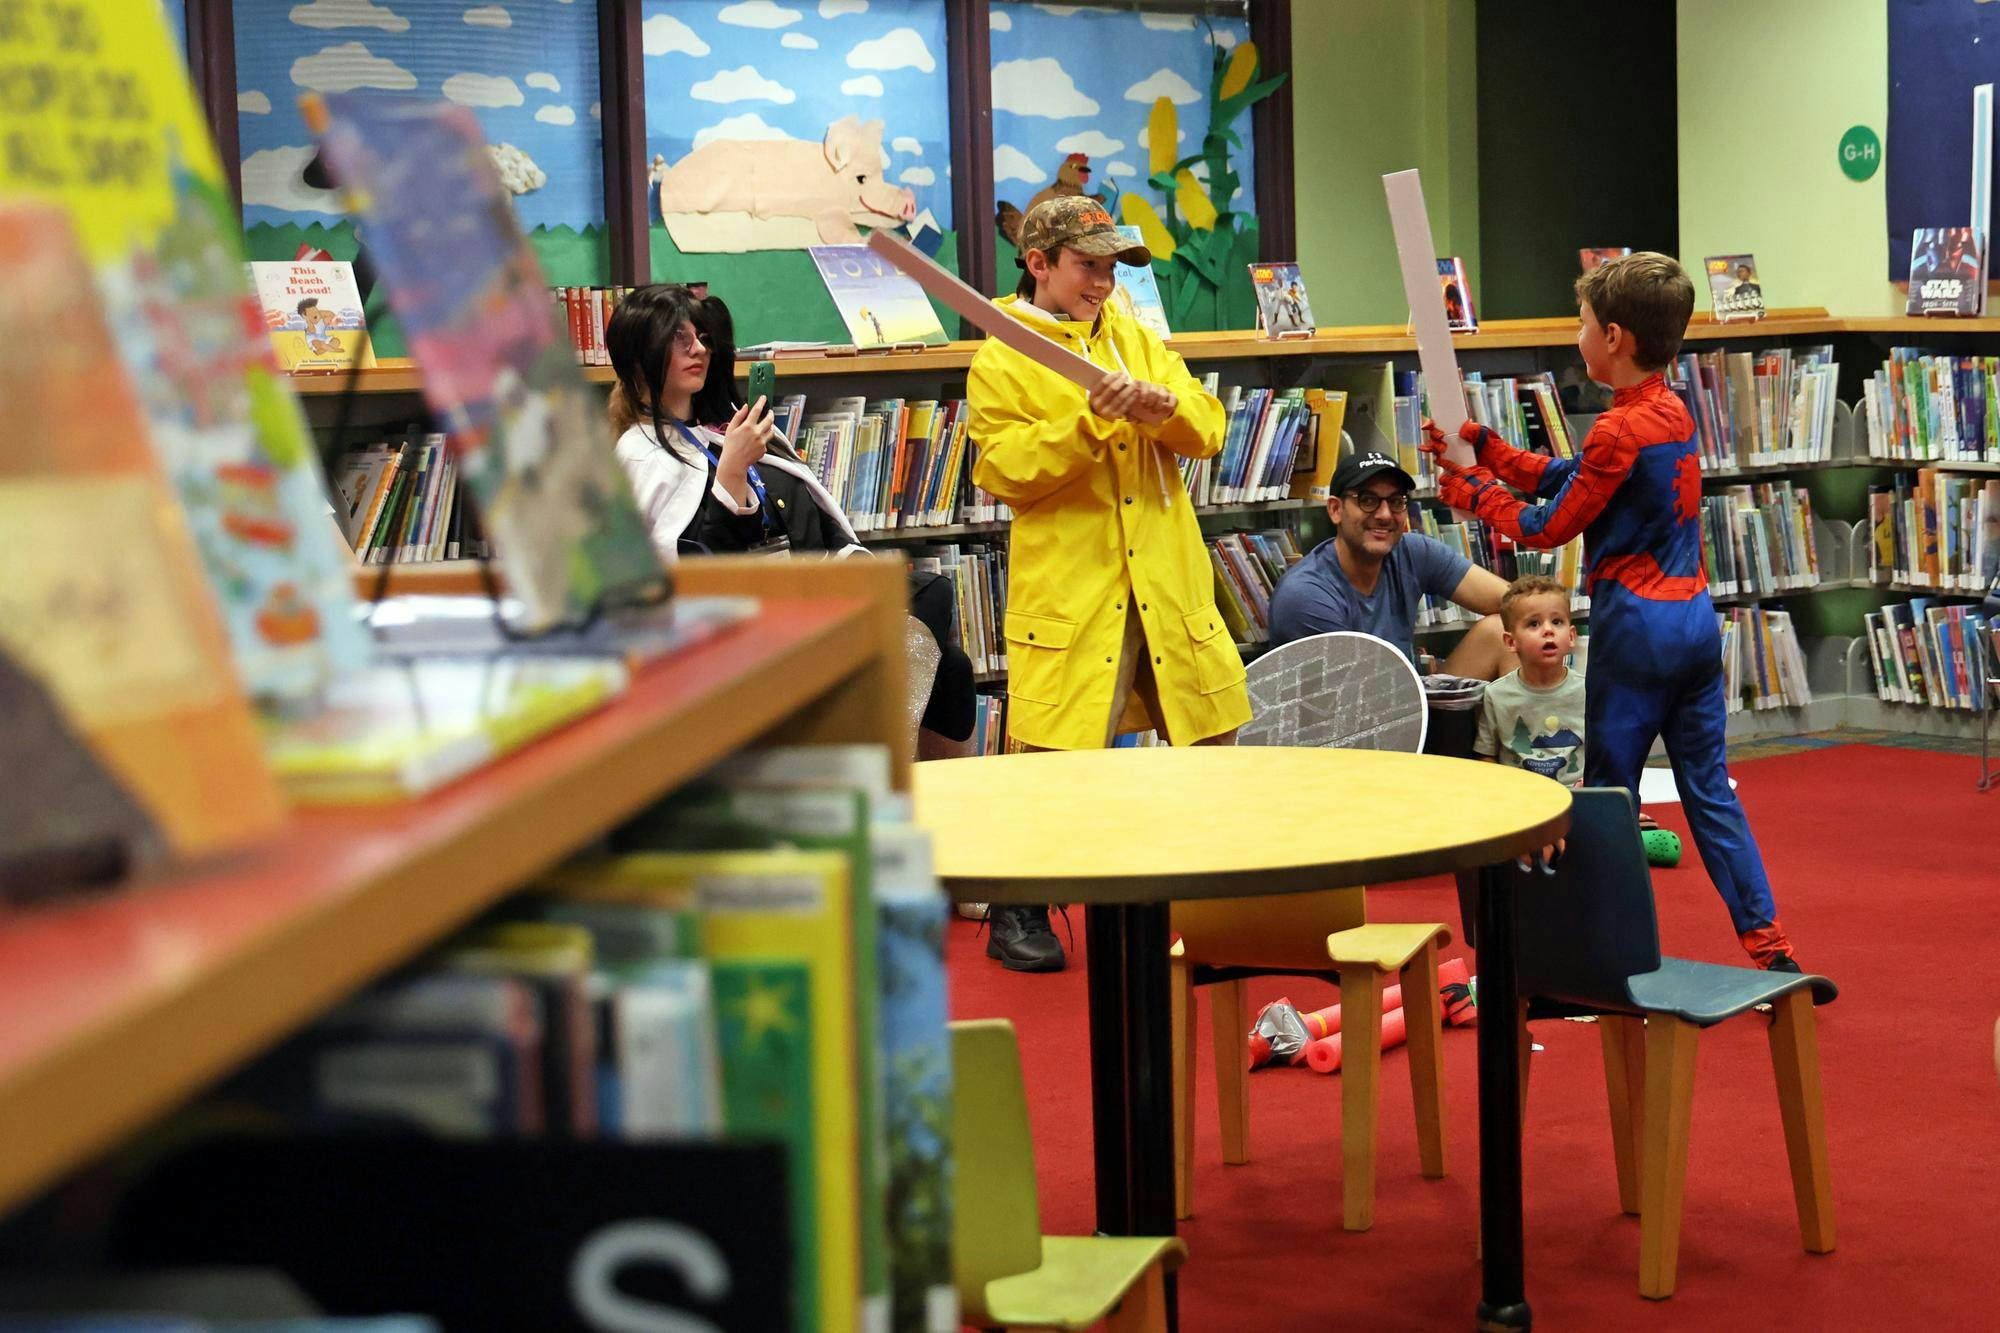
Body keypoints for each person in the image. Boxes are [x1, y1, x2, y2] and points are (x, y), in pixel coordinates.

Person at [1422, 250, 1809, 974]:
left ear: (1615, 338)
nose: (1577, 333)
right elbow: (1572, 477)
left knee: (1604, 793)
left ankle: (1598, 949)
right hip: (1695, 621)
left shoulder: (1617, 429)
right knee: (1709, 792)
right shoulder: (1669, 412)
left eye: (1583, 323)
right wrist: (1487, 449)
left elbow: (1547, 526)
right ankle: (1770, 944)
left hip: (1637, 629)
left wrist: (1471, 491)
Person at [966, 195, 1250, 972]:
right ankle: (1017, 909)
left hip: (1164, 579)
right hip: (1076, 589)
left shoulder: (1134, 333)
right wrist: (1092, 420)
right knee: (1055, 756)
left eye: (1111, 268)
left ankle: (1212, 906)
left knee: (1212, 735)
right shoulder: (1002, 352)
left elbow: (1211, 427)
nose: (1103, 283)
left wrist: (1165, 410)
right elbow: (1002, 470)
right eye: (1088, 266)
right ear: (1039, 263)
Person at [606, 283, 974, 743]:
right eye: (679, 339)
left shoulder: (722, 431)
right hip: (733, 621)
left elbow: (811, 520)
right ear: (642, 352)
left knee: (937, 618)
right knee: (921, 650)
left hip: (799, 586)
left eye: (700, 337)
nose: (697, 348)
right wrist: (732, 474)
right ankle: (868, 747)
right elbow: (693, 574)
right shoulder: (641, 455)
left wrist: (848, 561)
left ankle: (896, 757)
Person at [1266, 450, 1515, 678]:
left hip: (1406, 704)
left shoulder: (1412, 552)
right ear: (1335, 510)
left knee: (1510, 629)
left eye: (1396, 501)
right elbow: (1355, 699)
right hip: (1349, 717)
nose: (1385, 515)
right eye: (1367, 500)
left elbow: (1519, 605)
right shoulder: (1306, 594)